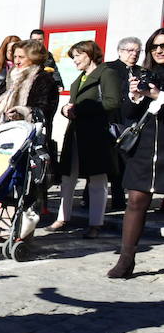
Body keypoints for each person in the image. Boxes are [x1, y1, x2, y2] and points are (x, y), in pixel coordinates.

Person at [49, 41, 120, 238]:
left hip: (95, 135)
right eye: (73, 57)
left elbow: (112, 102)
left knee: (97, 179)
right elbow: (73, 104)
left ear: (89, 54)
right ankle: (62, 218)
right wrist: (66, 110)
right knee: (67, 177)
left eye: (78, 55)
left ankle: (96, 223)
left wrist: (79, 109)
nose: (75, 60)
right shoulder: (80, 78)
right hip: (75, 134)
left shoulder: (106, 73)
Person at [110, 27, 164, 278]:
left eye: (163, 46)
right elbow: (129, 115)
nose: (159, 50)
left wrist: (157, 96)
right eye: (155, 46)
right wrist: (133, 96)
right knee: (135, 201)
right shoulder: (146, 75)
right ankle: (126, 260)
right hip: (145, 147)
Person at [105, 36, 144, 210]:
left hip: (131, 122)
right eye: (130, 50)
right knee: (108, 162)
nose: (134, 54)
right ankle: (89, 199)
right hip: (112, 120)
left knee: (125, 161)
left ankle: (120, 200)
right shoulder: (109, 68)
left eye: (137, 51)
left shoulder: (141, 71)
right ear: (120, 51)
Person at [0, 40, 58, 128]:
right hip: (2, 133)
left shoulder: (43, 79)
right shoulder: (11, 78)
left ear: (34, 57)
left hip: (28, 135)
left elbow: (46, 109)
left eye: (21, 57)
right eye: (15, 57)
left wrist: (22, 113)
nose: (17, 61)